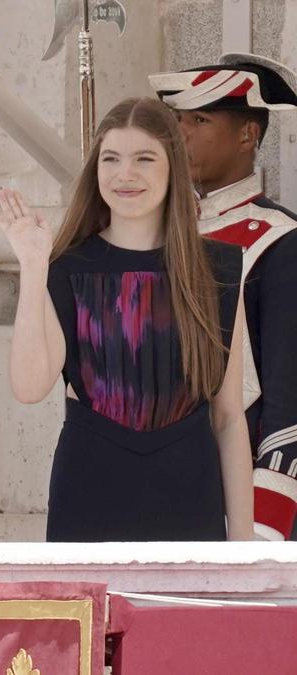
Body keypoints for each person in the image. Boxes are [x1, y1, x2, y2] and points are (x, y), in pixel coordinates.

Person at [0, 97, 252, 541]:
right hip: (89, 492)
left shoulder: (220, 270)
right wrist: (34, 265)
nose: (124, 174)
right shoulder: (66, 268)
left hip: (190, 494)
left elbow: (228, 417)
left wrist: (243, 548)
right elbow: (30, 386)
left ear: (173, 167)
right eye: (110, 159)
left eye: (143, 159)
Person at [150, 53, 297, 541]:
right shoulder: (155, 232)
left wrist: (264, 523)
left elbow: (286, 395)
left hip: (244, 502)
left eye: (200, 120)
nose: (181, 134)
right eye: (177, 121)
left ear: (247, 135)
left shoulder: (279, 239)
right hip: (168, 482)